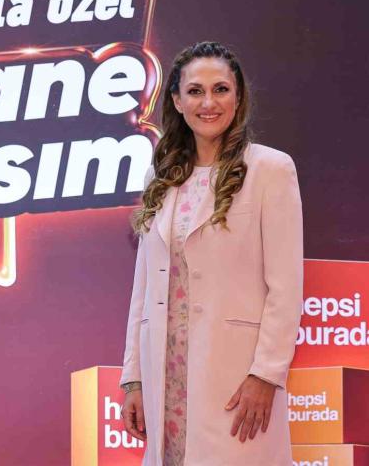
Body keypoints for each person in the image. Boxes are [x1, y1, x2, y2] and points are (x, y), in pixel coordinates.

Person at [119, 42, 303, 465]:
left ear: (238, 97)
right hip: (165, 377)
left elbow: (285, 287)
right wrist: (134, 379)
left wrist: (265, 374)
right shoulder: (160, 176)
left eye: (220, 89)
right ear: (177, 101)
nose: (208, 103)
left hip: (235, 379)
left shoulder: (270, 170)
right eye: (195, 91)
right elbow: (143, 287)